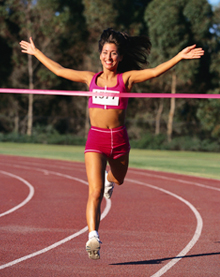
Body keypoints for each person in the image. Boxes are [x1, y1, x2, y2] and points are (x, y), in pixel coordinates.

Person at [20, 28, 204, 260]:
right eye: (105, 52)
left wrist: (179, 56)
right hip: (95, 139)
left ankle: (110, 179)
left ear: (120, 57)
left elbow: (155, 72)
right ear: (100, 55)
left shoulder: (125, 79)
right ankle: (93, 235)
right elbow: (60, 70)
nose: (109, 57)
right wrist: (36, 53)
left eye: (114, 53)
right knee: (94, 191)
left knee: (118, 179)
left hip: (118, 140)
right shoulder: (91, 78)